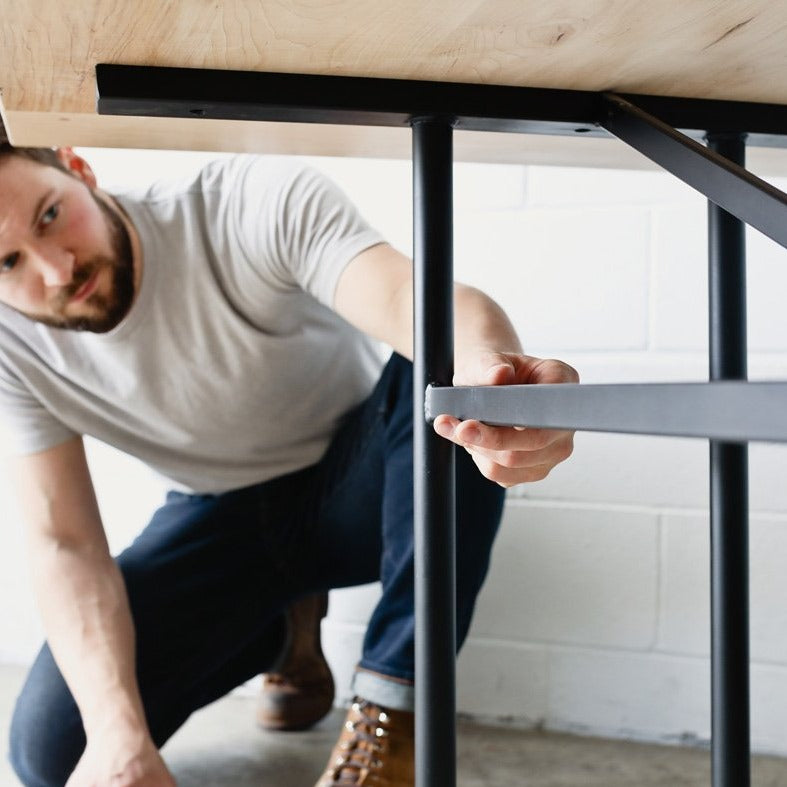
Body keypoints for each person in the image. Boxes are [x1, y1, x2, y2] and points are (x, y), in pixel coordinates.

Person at [0, 140, 578, 787]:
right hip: (218, 518)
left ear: (78, 168)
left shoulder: (240, 203)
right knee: (52, 751)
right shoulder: (6, 341)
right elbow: (64, 541)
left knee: (442, 369)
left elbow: (414, 303)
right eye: (8, 260)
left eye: (50, 215)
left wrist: (494, 381)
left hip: (363, 483)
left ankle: (391, 719)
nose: (55, 270)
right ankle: (282, 631)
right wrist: (118, 734)